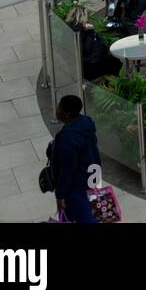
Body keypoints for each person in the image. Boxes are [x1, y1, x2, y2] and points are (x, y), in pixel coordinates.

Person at [49, 94, 102, 223]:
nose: (57, 110)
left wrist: (60, 194)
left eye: (59, 108)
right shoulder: (86, 123)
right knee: (92, 213)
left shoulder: (67, 138)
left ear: (67, 114)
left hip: (77, 185)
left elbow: (67, 169)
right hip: (92, 177)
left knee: (84, 217)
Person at [67, 4, 122, 81]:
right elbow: (95, 52)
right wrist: (92, 32)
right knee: (115, 62)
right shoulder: (86, 33)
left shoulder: (68, 30)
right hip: (89, 70)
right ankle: (115, 82)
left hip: (76, 68)